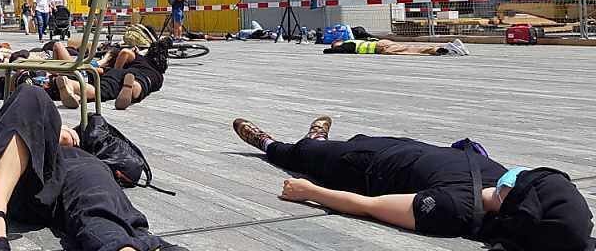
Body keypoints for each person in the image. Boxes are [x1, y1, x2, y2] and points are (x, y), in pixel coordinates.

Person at [231, 116, 594, 251]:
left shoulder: (454, 211)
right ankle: (318, 141)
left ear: (518, 202)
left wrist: (310, 192)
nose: (521, 173)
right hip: (401, 148)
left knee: (302, 155)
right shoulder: (497, 180)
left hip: (363, 170)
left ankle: (268, 142)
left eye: (528, 182)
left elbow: (371, 207)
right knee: (349, 140)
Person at [0, 83, 185, 251]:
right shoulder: (26, 114)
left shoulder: (84, 157)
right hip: (17, 182)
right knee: (29, 94)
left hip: (68, 176)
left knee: (94, 190)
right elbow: (19, 121)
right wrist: (52, 134)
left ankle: (124, 246)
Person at [324, 38, 469, 56]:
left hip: (381, 48)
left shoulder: (348, 45)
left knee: (411, 51)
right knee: (410, 47)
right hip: (382, 42)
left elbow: (332, 50)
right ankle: (446, 46)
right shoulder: (354, 40)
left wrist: (328, 49)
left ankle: (444, 49)